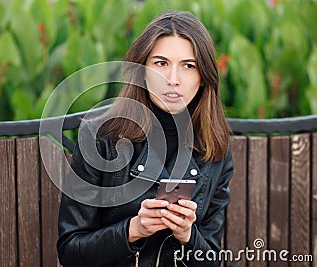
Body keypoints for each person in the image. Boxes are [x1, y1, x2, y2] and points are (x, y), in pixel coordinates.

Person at [57, 10, 233, 267]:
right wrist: (134, 229)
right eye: (161, 63)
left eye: (188, 65)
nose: (173, 80)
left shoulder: (214, 147)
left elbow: (212, 259)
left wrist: (188, 236)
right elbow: (70, 252)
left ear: (203, 77)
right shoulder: (100, 137)